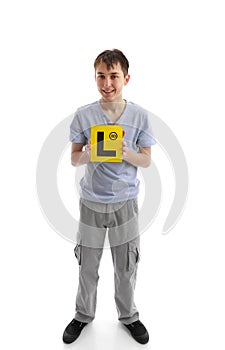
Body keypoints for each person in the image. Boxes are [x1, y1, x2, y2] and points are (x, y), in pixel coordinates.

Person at [63, 49, 156, 345]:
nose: (107, 83)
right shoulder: (84, 114)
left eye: (113, 76)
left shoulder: (140, 116)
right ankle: (82, 315)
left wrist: (128, 153)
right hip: (91, 203)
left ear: (126, 78)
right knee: (87, 264)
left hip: (125, 204)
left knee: (126, 265)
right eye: (101, 76)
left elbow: (147, 160)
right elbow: (74, 159)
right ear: (95, 77)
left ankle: (128, 315)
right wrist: (88, 152)